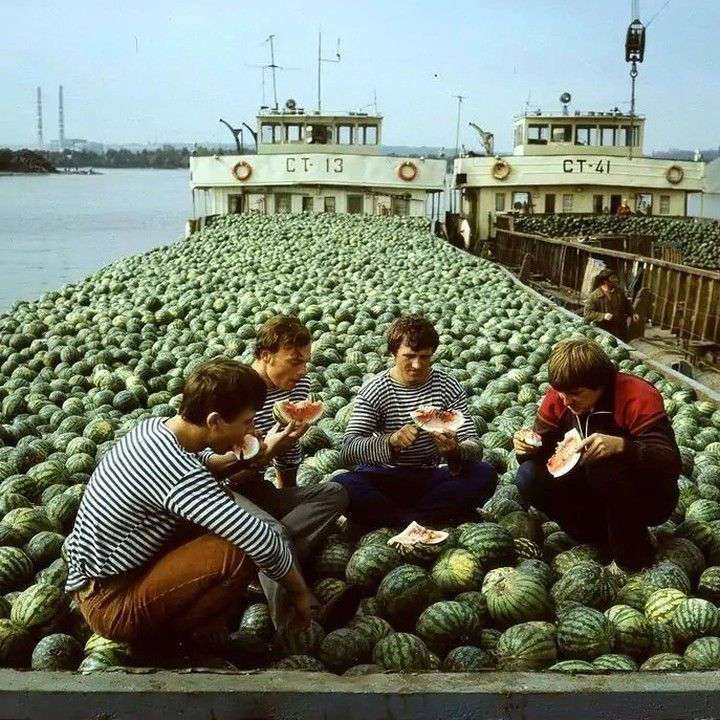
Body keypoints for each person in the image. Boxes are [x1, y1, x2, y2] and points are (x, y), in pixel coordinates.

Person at [65, 358, 313, 665]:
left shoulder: (154, 429)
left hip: (96, 579)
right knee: (239, 550)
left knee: (217, 512)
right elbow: (260, 538)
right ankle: (172, 644)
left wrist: (251, 456)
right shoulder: (179, 475)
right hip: (111, 603)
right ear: (214, 422)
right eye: (247, 422)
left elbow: (201, 464)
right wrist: (300, 596)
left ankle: (185, 627)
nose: (253, 429)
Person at [200, 315, 357, 632]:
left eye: (306, 362)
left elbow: (289, 448)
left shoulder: (298, 384)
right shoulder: (231, 388)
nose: (303, 371)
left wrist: (286, 492)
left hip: (258, 486)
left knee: (335, 493)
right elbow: (202, 460)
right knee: (273, 533)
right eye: (295, 361)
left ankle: (260, 566)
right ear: (265, 354)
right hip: (220, 492)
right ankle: (302, 617)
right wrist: (259, 455)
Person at [513, 339, 681, 571]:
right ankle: (599, 538)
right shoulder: (561, 395)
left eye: (575, 394)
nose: (566, 401)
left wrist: (623, 447)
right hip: (590, 490)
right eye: (560, 393)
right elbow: (542, 453)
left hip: (648, 496)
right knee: (527, 476)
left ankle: (631, 559)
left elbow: (669, 462)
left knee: (605, 465)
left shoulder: (637, 396)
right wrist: (526, 448)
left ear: (601, 384)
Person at [335, 315, 497, 530]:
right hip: (382, 477)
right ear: (393, 353)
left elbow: (473, 444)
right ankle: (427, 519)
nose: (417, 365)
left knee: (484, 473)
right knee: (342, 484)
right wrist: (389, 441)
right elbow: (348, 450)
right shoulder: (375, 389)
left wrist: (455, 452)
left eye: (424, 357)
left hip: (430, 476)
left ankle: (398, 521)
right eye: (409, 356)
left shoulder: (447, 385)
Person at [584, 268, 638, 342]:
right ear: (605, 281)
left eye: (616, 277)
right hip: (604, 331)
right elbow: (588, 313)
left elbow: (627, 304)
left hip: (620, 330)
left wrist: (633, 313)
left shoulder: (619, 292)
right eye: (613, 278)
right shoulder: (594, 296)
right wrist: (603, 316)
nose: (616, 280)